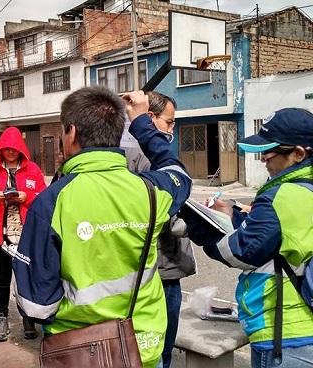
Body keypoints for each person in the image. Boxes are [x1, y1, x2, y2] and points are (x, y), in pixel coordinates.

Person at [13, 87, 192, 367]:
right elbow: (178, 172)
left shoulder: (50, 203)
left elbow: (36, 305)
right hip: (143, 348)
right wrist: (142, 121)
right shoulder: (151, 191)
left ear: (70, 132)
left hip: (80, 352)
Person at [181, 108, 313, 368]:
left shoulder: (282, 195)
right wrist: (232, 213)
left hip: (285, 332)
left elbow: (242, 251)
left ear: (298, 154)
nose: (263, 160)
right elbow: (279, 238)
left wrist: (196, 224)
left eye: (269, 153)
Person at [124, 91, 196, 368]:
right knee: (158, 352)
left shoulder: (123, 153)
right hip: (161, 270)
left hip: (142, 270)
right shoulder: (149, 159)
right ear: (149, 118)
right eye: (170, 122)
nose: (173, 128)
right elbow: (159, 214)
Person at [0, 126, 47, 342]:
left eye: (14, 148)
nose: (10, 152)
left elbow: (43, 196)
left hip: (26, 234)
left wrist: (26, 196)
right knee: (3, 277)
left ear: (21, 149)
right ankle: (2, 317)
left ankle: (28, 317)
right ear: (1, 149)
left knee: (25, 277)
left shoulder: (33, 169)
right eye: (6, 148)